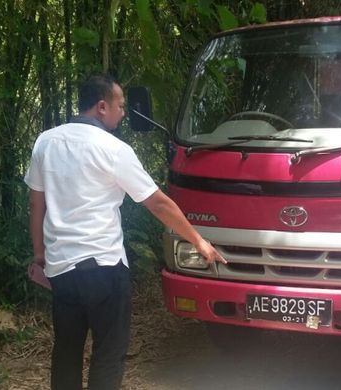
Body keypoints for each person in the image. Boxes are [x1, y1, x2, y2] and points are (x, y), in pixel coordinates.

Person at [24, 74, 226, 390]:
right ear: (102, 107)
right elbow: (158, 203)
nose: (122, 111)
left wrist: (40, 254)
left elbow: (36, 205)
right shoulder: (114, 149)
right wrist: (198, 240)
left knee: (66, 351)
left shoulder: (45, 142)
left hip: (61, 269)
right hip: (104, 268)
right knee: (108, 354)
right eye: (119, 105)